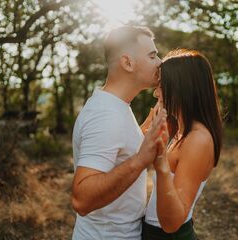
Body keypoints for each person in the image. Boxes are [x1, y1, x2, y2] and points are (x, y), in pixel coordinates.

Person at [71, 26, 166, 240]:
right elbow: (82, 200)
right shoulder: (105, 115)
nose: (160, 62)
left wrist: (142, 133)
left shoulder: (115, 106)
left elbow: (116, 150)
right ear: (127, 63)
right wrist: (141, 159)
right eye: (152, 55)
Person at [142, 49, 223, 239]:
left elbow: (172, 224)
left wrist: (161, 165)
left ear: (180, 88)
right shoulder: (180, 130)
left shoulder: (198, 139)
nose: (155, 93)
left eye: (162, 85)